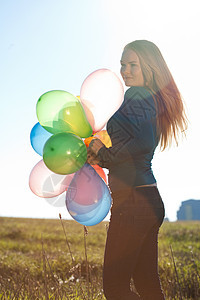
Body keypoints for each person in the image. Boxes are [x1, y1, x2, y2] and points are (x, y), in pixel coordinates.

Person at [87, 40, 187, 300]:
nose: (125, 70)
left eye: (133, 64)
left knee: (116, 288)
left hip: (133, 203)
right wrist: (101, 156)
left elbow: (138, 146)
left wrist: (102, 153)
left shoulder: (138, 95)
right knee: (148, 285)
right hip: (146, 201)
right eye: (123, 64)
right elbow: (134, 147)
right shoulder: (151, 99)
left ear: (150, 68)